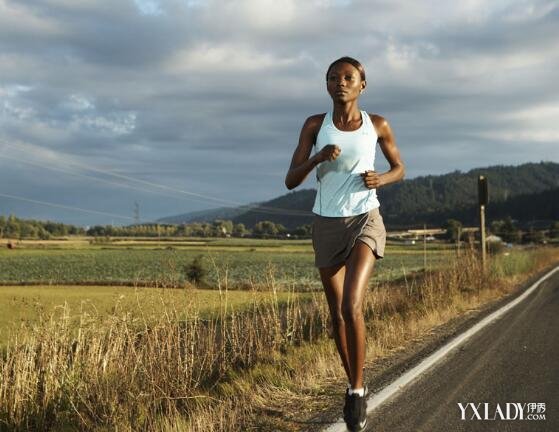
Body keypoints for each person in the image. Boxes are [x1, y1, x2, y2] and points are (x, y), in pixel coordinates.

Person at [284, 56, 405, 431]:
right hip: (326, 223)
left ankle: (355, 391)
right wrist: (318, 157)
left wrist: (381, 180)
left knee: (352, 305)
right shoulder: (314, 125)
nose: (340, 82)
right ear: (327, 86)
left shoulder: (377, 125)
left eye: (348, 77)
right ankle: (353, 380)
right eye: (333, 78)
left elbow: (400, 167)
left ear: (362, 85)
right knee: (336, 312)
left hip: (365, 218)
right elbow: (290, 179)